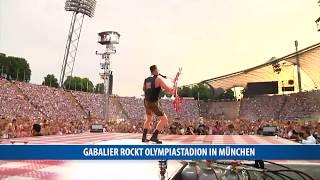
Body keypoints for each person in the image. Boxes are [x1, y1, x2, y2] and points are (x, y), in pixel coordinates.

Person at [142, 65, 173, 143]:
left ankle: (144, 137)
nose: (159, 71)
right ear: (155, 70)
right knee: (164, 120)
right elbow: (168, 89)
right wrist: (173, 88)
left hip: (146, 101)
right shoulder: (158, 79)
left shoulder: (146, 79)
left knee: (148, 119)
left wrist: (157, 89)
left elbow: (144, 89)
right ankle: (154, 137)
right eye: (157, 70)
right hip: (153, 103)